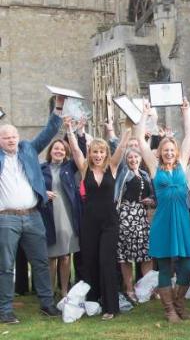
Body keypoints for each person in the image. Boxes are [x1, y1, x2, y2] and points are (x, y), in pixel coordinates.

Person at [0, 102, 64, 324]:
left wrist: (58, 109)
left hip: (33, 215)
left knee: (41, 262)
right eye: (6, 137)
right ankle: (5, 310)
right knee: (6, 265)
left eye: (13, 136)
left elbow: (49, 133)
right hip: (6, 218)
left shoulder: (27, 149)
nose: (11, 140)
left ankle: (47, 304)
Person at [137, 101, 190, 323]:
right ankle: (169, 309)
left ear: (177, 152)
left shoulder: (182, 164)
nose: (169, 152)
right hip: (163, 221)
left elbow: (189, 134)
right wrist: (144, 114)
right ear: (160, 152)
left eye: (172, 149)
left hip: (181, 219)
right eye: (165, 150)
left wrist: (185, 112)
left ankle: (179, 301)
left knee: (188, 264)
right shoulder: (153, 166)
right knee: (163, 267)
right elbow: (141, 141)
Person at [65, 118, 126, 320]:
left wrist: (128, 129)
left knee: (107, 261)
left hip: (109, 221)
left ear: (106, 154)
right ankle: (91, 301)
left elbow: (122, 147)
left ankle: (111, 307)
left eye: (102, 152)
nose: (98, 155)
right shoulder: (84, 168)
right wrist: (70, 130)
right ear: (90, 153)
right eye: (95, 151)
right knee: (89, 262)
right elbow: (74, 150)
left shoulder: (113, 167)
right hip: (89, 222)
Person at [40, 138, 81, 298]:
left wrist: (76, 133)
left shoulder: (70, 167)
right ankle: (49, 292)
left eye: (63, 150)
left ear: (66, 153)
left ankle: (64, 290)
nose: (59, 151)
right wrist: (43, 194)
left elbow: (79, 152)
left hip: (67, 217)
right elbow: (33, 188)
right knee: (51, 257)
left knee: (65, 256)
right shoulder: (41, 168)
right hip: (49, 216)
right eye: (56, 149)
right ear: (50, 151)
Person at [115, 148, 155, 304]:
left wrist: (151, 200)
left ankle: (147, 288)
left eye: (136, 156)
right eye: (130, 157)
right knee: (126, 255)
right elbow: (116, 195)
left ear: (140, 158)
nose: (133, 159)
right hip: (126, 215)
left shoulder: (145, 174)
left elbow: (152, 194)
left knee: (146, 254)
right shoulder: (124, 174)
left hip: (141, 216)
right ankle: (129, 289)